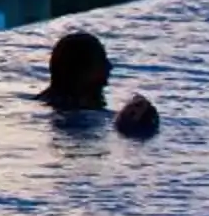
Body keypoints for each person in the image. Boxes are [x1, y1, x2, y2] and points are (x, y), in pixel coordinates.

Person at [33, 29, 161, 136]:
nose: (109, 67)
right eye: (102, 62)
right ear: (84, 72)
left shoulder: (41, 104)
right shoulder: (82, 118)